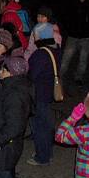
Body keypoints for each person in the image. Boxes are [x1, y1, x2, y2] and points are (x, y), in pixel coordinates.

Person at [26, 29, 61, 166]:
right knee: (47, 122)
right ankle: (48, 152)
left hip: (38, 93)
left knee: (40, 126)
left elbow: (32, 75)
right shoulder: (55, 49)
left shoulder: (40, 54)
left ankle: (42, 157)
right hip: (49, 92)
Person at [60, 0, 89, 87]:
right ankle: (59, 77)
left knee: (83, 59)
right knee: (66, 58)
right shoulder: (71, 2)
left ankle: (78, 77)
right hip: (73, 36)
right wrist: (69, 29)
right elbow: (65, 16)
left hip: (86, 37)